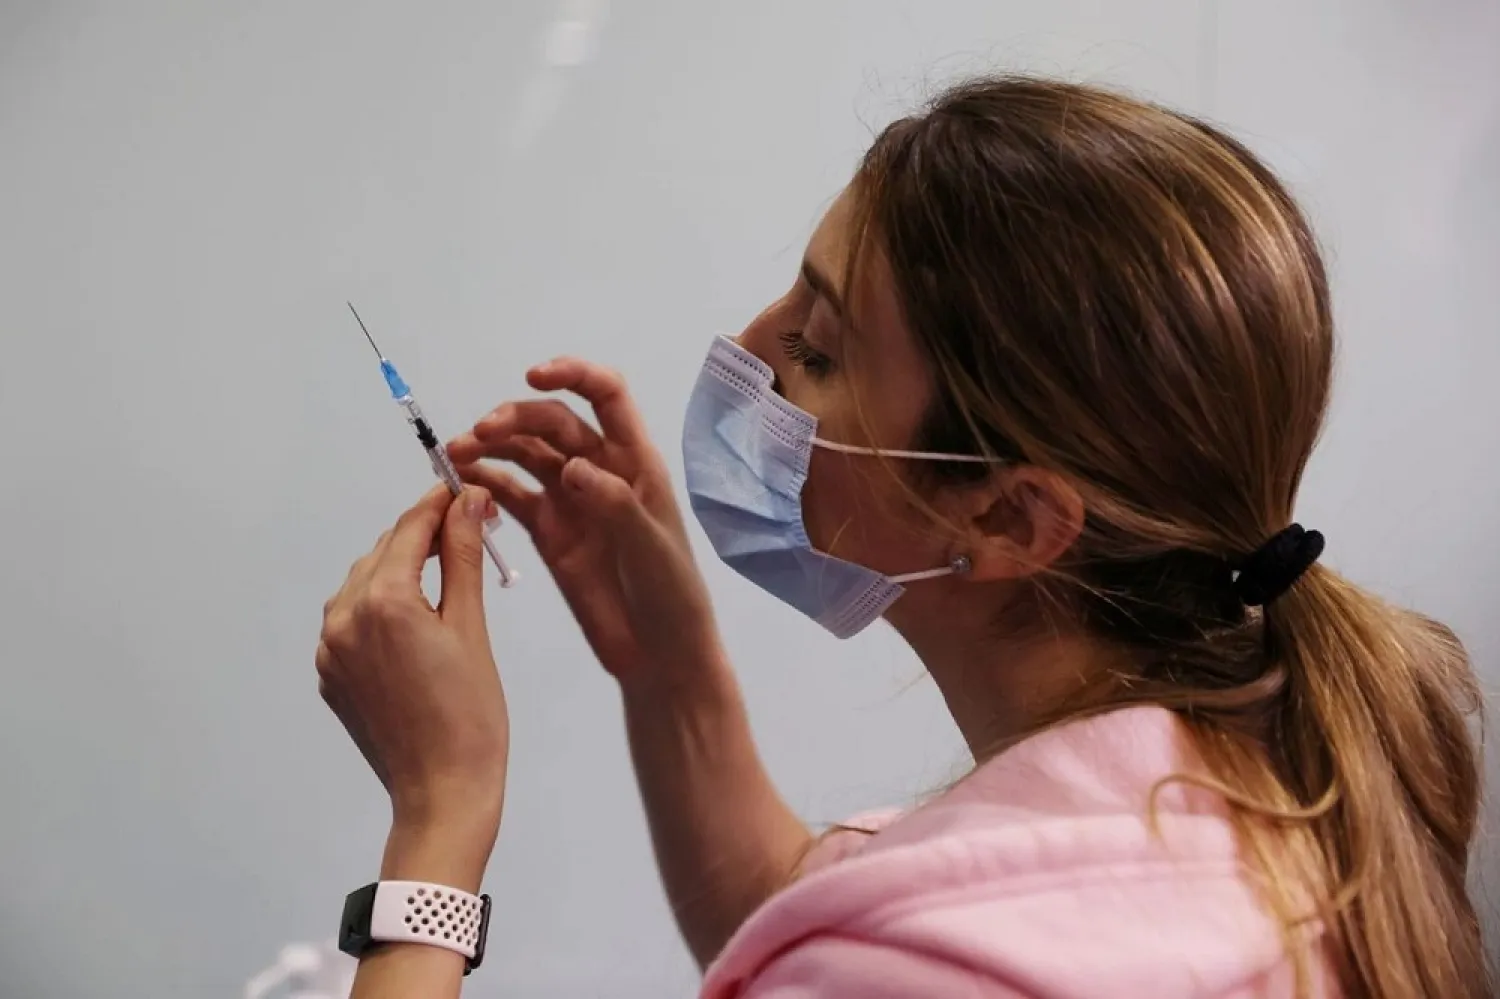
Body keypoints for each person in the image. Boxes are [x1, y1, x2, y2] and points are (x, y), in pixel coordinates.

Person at [314, 76, 1491, 998]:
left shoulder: (983, 959)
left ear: (1012, 516)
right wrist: (665, 665)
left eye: (820, 352)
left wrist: (441, 814)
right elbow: (795, 922)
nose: (750, 345)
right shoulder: (1223, 804)